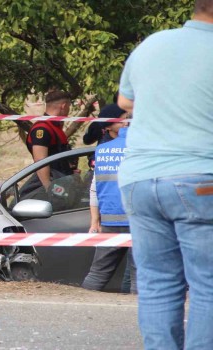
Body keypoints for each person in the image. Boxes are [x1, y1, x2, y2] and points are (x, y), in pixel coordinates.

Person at [117, 2, 213, 348]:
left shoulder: (151, 44)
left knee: (157, 282)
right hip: (201, 178)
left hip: (139, 180)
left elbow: (125, 102)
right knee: (208, 285)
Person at [81, 111, 135, 294]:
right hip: (138, 220)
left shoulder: (102, 150)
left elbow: (95, 187)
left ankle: (81, 307)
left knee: (97, 274)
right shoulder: (143, 149)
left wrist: (95, 221)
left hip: (110, 221)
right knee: (140, 276)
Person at [25, 91, 74, 191]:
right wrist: (49, 188)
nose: (69, 110)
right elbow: (40, 161)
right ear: (63, 106)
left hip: (62, 179)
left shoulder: (54, 127)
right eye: (69, 106)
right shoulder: (42, 129)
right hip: (52, 183)